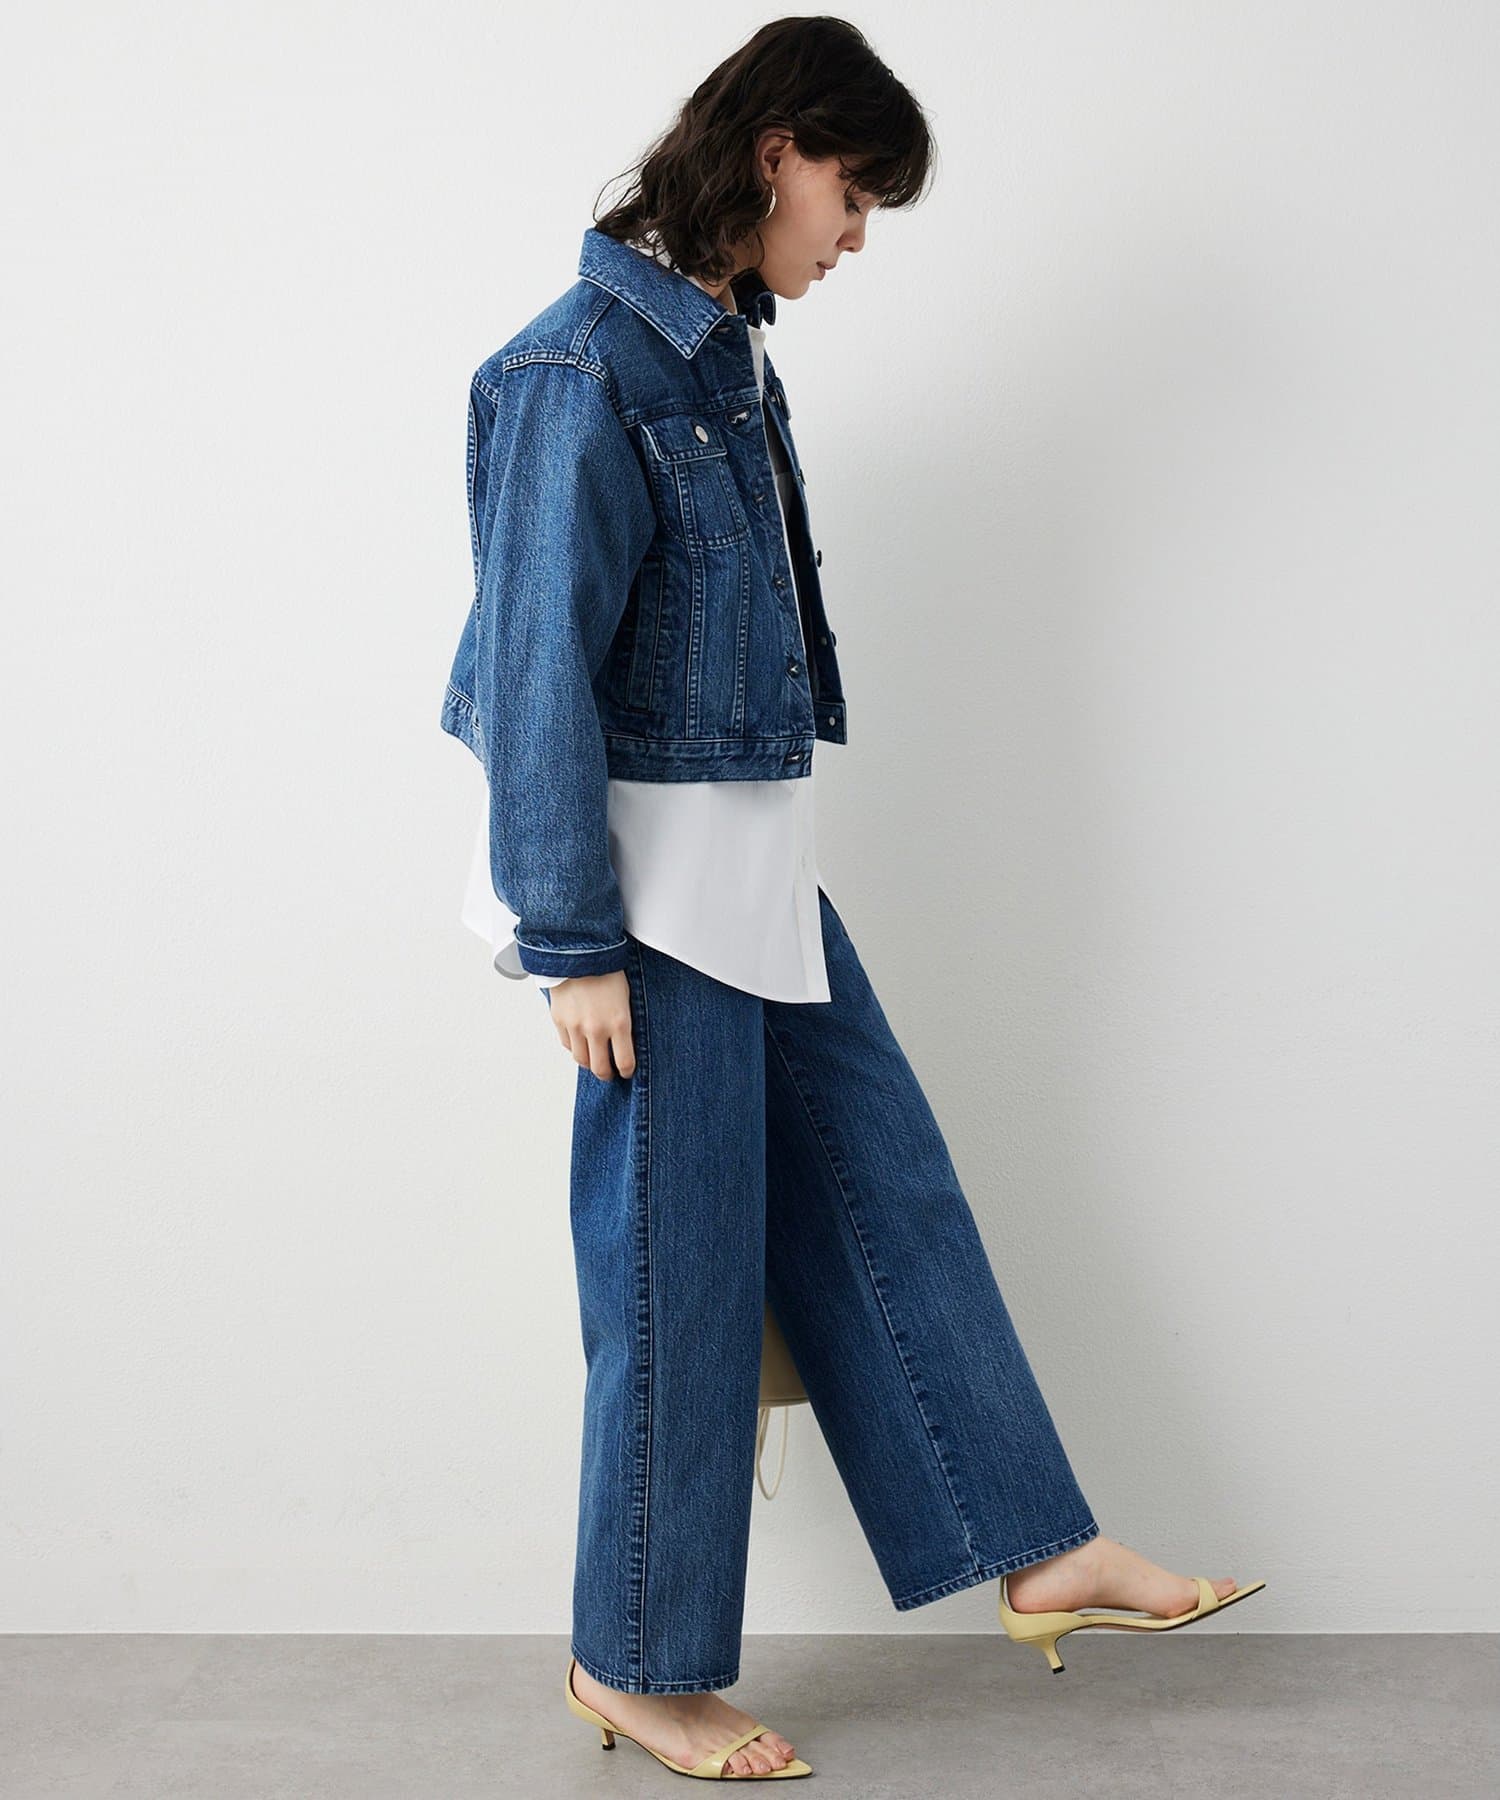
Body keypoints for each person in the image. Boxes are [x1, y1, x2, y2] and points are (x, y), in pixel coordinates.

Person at [440, 17, 1262, 1783]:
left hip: (755, 887)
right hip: (652, 915)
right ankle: (633, 1663)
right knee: (676, 1284)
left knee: (892, 1197)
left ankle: (1035, 1546)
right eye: (854, 193)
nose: (858, 235)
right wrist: (570, 943)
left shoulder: (721, 352)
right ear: (774, 153)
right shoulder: (580, 370)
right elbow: (532, 679)